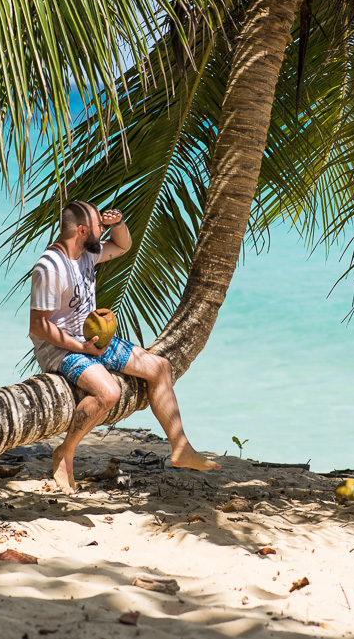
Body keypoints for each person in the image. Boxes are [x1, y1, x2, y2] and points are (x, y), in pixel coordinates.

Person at [29, 200, 219, 493]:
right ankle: (64, 454)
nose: (103, 230)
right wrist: (81, 347)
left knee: (159, 367)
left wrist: (118, 224)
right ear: (81, 230)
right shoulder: (50, 267)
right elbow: (38, 326)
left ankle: (181, 448)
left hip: (93, 340)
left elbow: (123, 245)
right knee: (109, 393)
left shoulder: (86, 254)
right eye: (98, 226)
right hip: (61, 348)